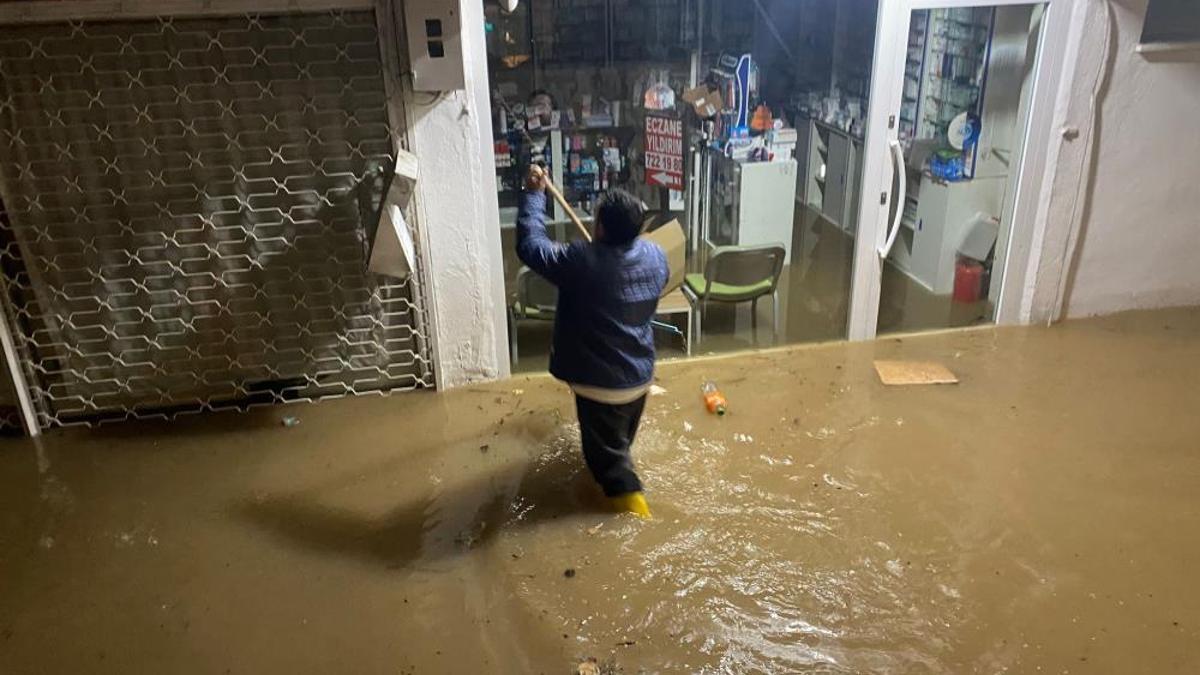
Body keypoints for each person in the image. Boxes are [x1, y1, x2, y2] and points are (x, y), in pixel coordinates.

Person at [516, 164, 668, 519]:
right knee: (619, 447)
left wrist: (534, 196)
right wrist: (602, 252)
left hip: (602, 389)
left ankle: (639, 521)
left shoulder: (580, 263)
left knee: (609, 468)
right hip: (639, 381)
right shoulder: (656, 257)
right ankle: (623, 489)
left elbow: (530, 246)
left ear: (599, 227)